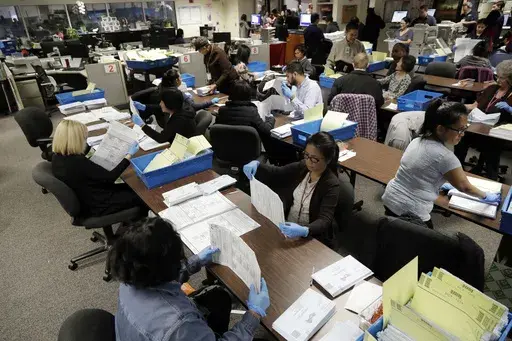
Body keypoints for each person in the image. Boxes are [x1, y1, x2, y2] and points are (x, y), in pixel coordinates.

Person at [110, 217, 270, 341]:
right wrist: (254, 314)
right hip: (175, 332)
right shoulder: (179, 325)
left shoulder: (130, 273)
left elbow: (160, 277)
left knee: (218, 297)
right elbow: (178, 327)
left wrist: (196, 261)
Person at [382, 100, 501, 228]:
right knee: (426, 243)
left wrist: (441, 182)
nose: (463, 134)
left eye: (465, 128)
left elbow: (421, 170)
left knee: (395, 233)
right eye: (460, 130)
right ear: (440, 129)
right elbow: (465, 187)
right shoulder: (445, 156)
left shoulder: (417, 140)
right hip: (411, 210)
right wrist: (486, 196)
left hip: (390, 198)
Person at [243, 132, 341, 247]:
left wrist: (305, 230)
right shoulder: (303, 166)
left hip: (311, 237)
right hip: (287, 229)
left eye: (314, 159)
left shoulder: (331, 184)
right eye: (306, 155)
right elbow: (277, 172)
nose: (309, 161)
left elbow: (325, 220)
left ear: (328, 160)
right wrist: (257, 164)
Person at [51, 120, 144, 217]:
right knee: (141, 195)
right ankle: (141, 225)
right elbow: (110, 177)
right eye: (84, 138)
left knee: (130, 187)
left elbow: (85, 152)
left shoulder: (58, 156)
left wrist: (113, 134)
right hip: (98, 204)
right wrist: (128, 155)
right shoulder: (78, 162)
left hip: (87, 195)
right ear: (76, 140)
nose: (85, 141)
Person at [456, 60, 512, 179]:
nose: (498, 80)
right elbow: (475, 106)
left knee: (491, 147)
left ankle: (491, 177)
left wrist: (510, 109)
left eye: (502, 78)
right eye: (498, 76)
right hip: (478, 127)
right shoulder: (492, 88)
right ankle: (457, 170)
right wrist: (457, 106)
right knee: (460, 136)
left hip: (497, 133)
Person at [132, 69, 219, 122]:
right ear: (177, 80)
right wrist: (210, 102)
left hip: (163, 120)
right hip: (177, 121)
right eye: (180, 78)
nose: (181, 80)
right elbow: (194, 106)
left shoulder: (161, 88)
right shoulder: (175, 93)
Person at [216, 80, 275, 149]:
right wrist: (271, 119)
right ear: (248, 95)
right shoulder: (251, 112)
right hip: (249, 152)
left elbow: (216, 131)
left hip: (225, 151)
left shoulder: (222, 111)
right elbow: (266, 131)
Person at [131, 88, 196, 144]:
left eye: (162, 102)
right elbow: (160, 108)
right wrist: (145, 107)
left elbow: (161, 138)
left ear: (169, 104)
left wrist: (143, 125)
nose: (160, 104)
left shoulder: (178, 120)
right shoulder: (182, 107)